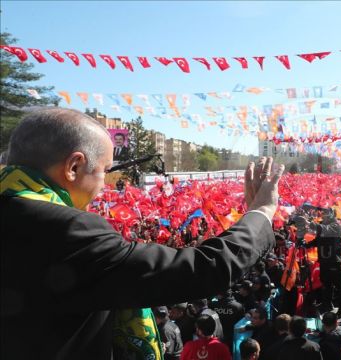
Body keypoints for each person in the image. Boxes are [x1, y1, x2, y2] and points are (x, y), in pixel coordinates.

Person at [0, 108, 284, 359]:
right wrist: (262, 211)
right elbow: (201, 269)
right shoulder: (67, 231)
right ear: (73, 167)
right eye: (104, 171)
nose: (103, 187)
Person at [299, 209, 341, 317]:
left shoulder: (336, 226)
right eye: (323, 213)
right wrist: (306, 244)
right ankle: (327, 305)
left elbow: (326, 230)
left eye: (326, 213)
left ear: (332, 214)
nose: (324, 215)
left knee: (339, 286)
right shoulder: (322, 226)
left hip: (334, 261)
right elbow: (318, 240)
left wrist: (309, 223)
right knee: (326, 285)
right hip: (324, 261)